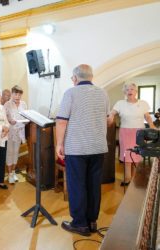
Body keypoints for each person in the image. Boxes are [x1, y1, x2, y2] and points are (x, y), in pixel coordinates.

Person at [56, 64, 110, 237]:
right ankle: (92, 221)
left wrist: (59, 144)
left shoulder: (70, 93)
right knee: (94, 185)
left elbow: (62, 121)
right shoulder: (103, 93)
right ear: (91, 77)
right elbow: (107, 119)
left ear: (75, 78)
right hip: (98, 146)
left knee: (77, 185)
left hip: (77, 148)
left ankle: (80, 224)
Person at [108, 83, 156, 186]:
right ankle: (127, 177)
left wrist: (152, 125)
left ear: (136, 92)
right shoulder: (120, 103)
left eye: (132, 89)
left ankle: (135, 176)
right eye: (127, 89)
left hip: (139, 132)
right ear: (124, 92)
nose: (130, 91)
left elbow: (147, 117)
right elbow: (113, 113)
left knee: (137, 154)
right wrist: (111, 117)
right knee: (127, 154)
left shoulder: (143, 103)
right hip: (125, 131)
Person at [4, 85, 27, 184]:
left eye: (19, 94)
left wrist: (26, 121)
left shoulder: (23, 104)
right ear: (12, 94)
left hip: (20, 131)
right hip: (10, 131)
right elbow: (3, 118)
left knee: (16, 152)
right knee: (10, 152)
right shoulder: (7, 104)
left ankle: (13, 172)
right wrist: (9, 120)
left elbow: (26, 115)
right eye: (15, 94)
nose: (17, 96)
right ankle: (9, 174)